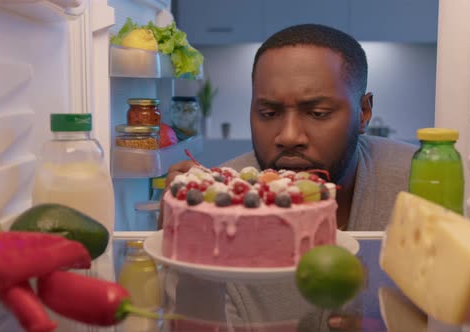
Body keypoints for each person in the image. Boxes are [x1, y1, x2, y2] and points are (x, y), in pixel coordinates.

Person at [163, 23, 416, 231]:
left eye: (318, 113)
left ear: (364, 113)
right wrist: (173, 231)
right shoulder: (219, 201)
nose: (289, 136)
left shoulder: (419, 181)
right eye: (269, 113)